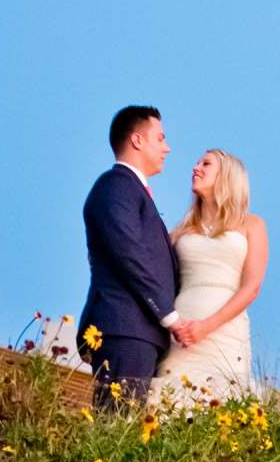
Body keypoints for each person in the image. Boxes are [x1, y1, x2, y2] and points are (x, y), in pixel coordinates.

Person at [79, 106, 182, 409]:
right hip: (125, 328)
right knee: (116, 427)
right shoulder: (116, 186)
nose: (167, 147)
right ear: (137, 140)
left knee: (126, 428)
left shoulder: (132, 191)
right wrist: (169, 315)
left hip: (140, 334)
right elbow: (129, 252)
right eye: (160, 138)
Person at [151, 148, 269, 404]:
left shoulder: (252, 225)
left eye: (206, 164)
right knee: (169, 403)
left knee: (220, 405)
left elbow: (252, 287)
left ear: (227, 176)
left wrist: (206, 326)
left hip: (226, 332)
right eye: (196, 163)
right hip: (181, 331)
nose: (196, 168)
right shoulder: (180, 231)